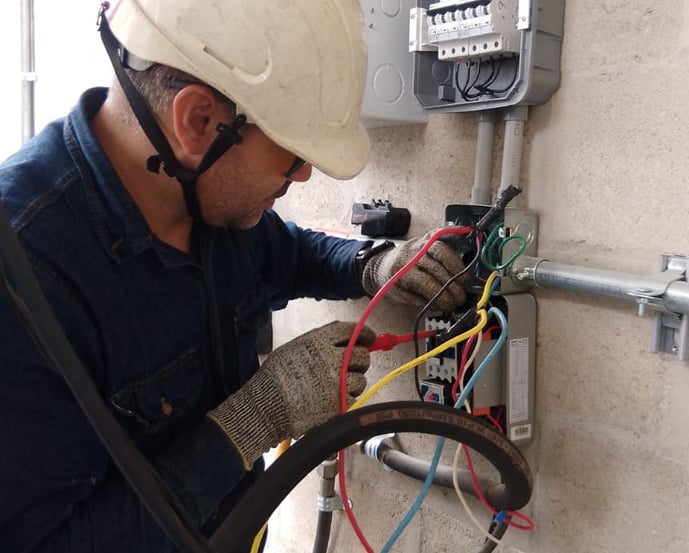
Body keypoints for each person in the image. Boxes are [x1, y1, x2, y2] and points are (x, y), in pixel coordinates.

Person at [0, 1, 468, 551]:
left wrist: (373, 266)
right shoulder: (29, 278)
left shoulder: (201, 195)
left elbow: (284, 253)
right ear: (199, 121)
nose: (304, 174)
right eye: (292, 154)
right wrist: (252, 422)